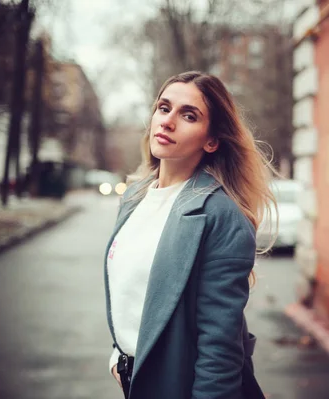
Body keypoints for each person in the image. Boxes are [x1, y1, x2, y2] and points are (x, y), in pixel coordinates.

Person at [103, 71, 276, 399]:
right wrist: (119, 354)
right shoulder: (134, 196)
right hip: (134, 380)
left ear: (211, 141)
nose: (167, 122)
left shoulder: (222, 217)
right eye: (164, 108)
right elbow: (133, 296)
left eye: (188, 115)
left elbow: (219, 351)